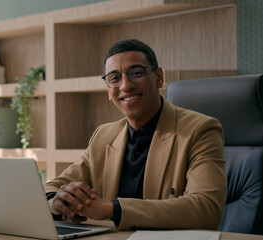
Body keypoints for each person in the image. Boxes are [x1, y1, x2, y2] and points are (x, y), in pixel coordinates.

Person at [44, 39, 227, 230]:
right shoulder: (104, 135)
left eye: (137, 73)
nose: (126, 86)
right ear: (108, 89)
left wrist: (112, 209)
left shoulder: (201, 130)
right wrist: (56, 203)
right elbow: (53, 187)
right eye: (114, 78)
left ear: (159, 77)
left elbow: (207, 208)